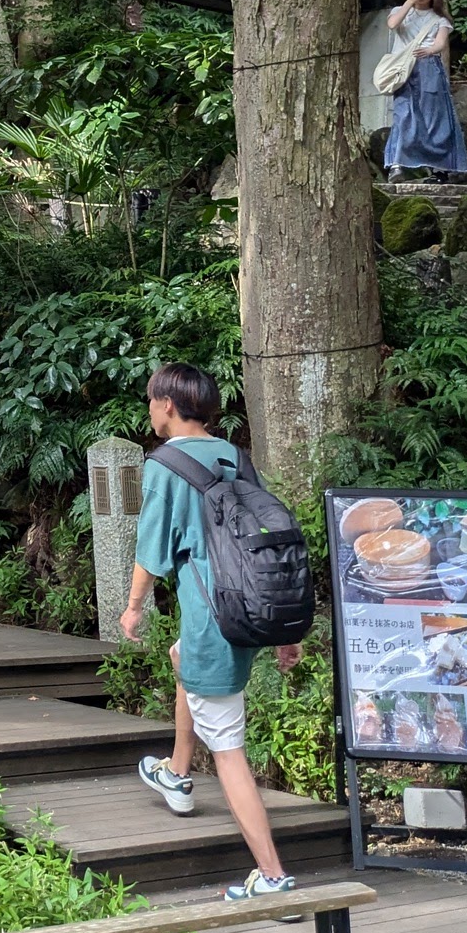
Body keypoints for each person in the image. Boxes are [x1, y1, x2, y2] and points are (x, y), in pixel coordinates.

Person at [121, 363, 302, 902]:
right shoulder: (232, 455)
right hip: (249, 609)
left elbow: (151, 549)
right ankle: (176, 773)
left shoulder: (165, 465)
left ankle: (272, 876)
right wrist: (282, 632)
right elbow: (265, 544)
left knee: (227, 747)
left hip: (212, 618)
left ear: (168, 406)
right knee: (183, 660)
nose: (150, 410)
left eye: (152, 401)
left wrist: (133, 608)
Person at [383, 0, 467, 178]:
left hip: (429, 67)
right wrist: (410, 2)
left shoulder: (439, 19)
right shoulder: (399, 10)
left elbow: (440, 43)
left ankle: (440, 166)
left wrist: (429, 50)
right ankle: (397, 163)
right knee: (403, 114)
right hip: (404, 68)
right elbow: (392, 24)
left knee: (434, 118)